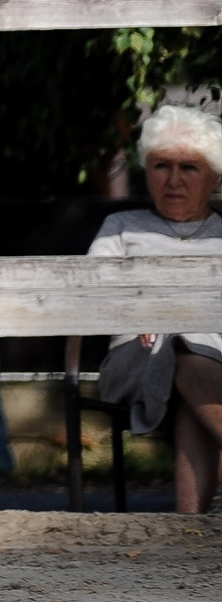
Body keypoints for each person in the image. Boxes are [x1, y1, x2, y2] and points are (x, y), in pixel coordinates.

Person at [85, 104, 222, 513]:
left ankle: (190, 529)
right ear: (147, 171)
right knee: (185, 348)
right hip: (136, 357)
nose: (174, 180)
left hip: (212, 363)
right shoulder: (122, 227)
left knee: (190, 361)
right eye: (162, 166)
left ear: (213, 176)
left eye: (189, 168)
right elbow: (87, 289)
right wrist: (140, 312)